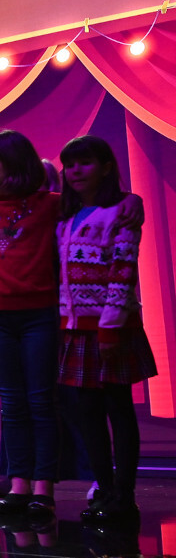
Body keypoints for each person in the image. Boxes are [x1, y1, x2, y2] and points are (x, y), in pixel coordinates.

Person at [0, 129, 141, 521]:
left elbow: (99, 204)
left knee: (41, 401)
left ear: (12, 163)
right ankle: (19, 484)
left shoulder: (49, 205)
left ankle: (45, 488)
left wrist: (132, 199)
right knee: (11, 403)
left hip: (40, 315)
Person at [56, 136, 156, 525]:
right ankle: (104, 488)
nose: (75, 171)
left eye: (85, 163)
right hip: (74, 328)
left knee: (119, 408)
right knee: (87, 413)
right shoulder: (65, 216)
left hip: (110, 326)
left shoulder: (121, 212)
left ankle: (124, 495)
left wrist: (111, 326)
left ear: (106, 167)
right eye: (70, 165)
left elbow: (123, 270)